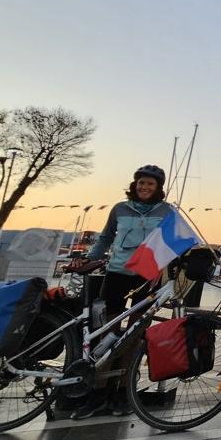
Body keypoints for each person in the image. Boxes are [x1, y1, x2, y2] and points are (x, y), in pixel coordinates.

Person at [72, 163, 175, 419]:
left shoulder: (166, 211)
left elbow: (171, 241)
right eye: (141, 182)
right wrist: (91, 258)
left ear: (158, 188)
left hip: (147, 275)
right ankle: (98, 391)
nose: (144, 187)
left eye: (150, 184)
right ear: (135, 184)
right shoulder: (120, 208)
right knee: (107, 330)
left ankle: (122, 391)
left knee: (135, 332)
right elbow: (106, 237)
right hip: (117, 271)